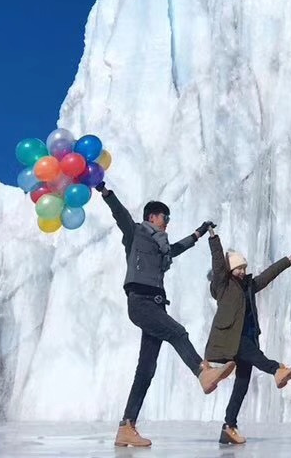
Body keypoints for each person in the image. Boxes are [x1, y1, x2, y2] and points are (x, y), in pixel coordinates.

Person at [96, 181, 234, 449]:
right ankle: (201, 371)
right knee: (177, 332)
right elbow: (120, 213)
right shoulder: (136, 233)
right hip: (141, 302)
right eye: (165, 217)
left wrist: (198, 233)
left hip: (156, 304)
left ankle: (126, 427)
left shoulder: (162, 247)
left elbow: (176, 249)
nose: (167, 222)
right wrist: (105, 191)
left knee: (146, 370)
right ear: (152, 217)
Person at [204, 233, 291, 445]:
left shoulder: (248, 286)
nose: (242, 271)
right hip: (231, 338)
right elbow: (218, 262)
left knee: (242, 383)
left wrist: (286, 261)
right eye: (238, 268)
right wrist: (213, 238)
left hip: (246, 336)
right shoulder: (223, 285)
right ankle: (277, 370)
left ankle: (229, 426)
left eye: (244, 267)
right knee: (257, 357)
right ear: (230, 270)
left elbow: (267, 276)